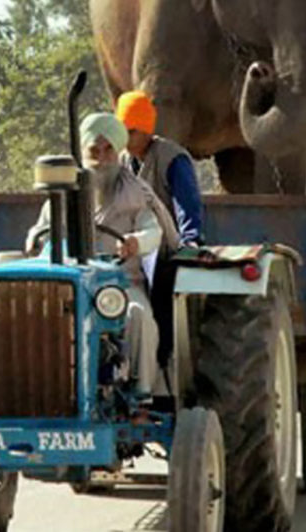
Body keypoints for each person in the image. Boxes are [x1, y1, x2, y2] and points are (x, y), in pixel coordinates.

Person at [26, 112, 177, 400]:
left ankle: (142, 395)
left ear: (119, 151)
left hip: (120, 286)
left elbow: (153, 231)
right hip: (69, 287)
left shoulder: (136, 194)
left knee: (139, 317)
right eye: (94, 150)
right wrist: (35, 237)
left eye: (108, 150)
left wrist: (136, 241)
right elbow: (43, 228)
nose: (101, 157)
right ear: (82, 152)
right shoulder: (63, 193)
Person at [115, 90, 204, 369]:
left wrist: (190, 241)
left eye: (130, 132)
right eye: (121, 132)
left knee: (160, 280)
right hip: (128, 243)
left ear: (145, 130)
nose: (125, 139)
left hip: (164, 243)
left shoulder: (172, 158)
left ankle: (161, 359)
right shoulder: (120, 161)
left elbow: (186, 203)